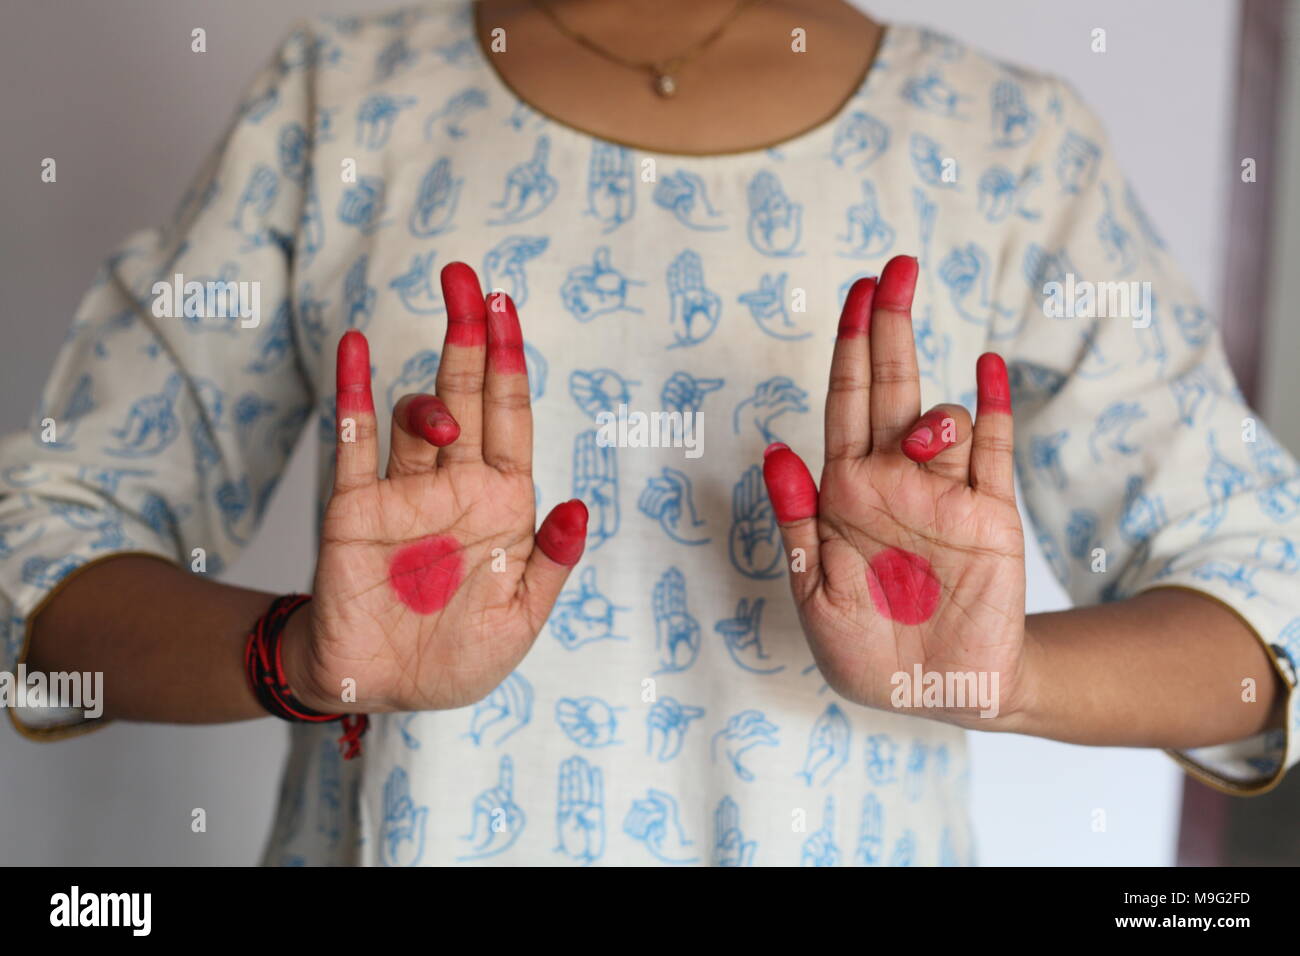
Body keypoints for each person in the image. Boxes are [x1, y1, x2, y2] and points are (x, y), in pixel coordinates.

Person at [2, 0, 1297, 867]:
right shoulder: (340, 103)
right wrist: (297, 656)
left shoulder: (1010, 146)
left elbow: (1264, 623)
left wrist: (995, 674)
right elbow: (41, 574)